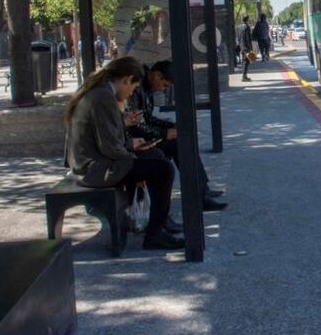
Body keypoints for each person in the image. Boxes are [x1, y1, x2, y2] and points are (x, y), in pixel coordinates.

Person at [63, 56, 184, 250]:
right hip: (95, 169)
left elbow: (107, 140)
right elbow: (110, 147)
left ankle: (158, 225)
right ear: (126, 79)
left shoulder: (99, 93)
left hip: (92, 164)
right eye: (133, 87)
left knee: (155, 157)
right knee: (164, 170)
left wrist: (131, 147)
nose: (131, 93)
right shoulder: (103, 97)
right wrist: (133, 159)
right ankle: (155, 233)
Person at [126, 61, 227, 213]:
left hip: (141, 139)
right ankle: (200, 195)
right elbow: (135, 125)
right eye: (164, 84)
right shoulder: (136, 90)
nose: (163, 89)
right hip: (135, 143)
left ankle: (202, 190)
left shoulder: (145, 89)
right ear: (156, 74)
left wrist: (169, 126)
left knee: (184, 140)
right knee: (179, 145)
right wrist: (164, 133)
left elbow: (147, 118)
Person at [240, 15, 254, 81]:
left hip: (241, 46)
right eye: (249, 19)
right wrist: (250, 47)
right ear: (247, 20)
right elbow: (248, 38)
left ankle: (244, 76)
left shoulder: (239, 27)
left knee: (244, 61)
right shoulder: (247, 27)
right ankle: (244, 76)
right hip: (246, 46)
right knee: (246, 61)